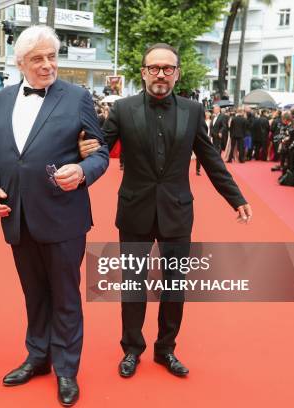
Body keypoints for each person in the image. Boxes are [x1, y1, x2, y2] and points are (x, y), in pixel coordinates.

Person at [83, 42, 252, 379]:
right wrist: (84, 152)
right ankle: (131, 349)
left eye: (168, 68)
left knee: (175, 287)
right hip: (134, 211)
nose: (161, 74)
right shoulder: (123, 109)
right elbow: (100, 148)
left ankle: (166, 349)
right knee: (133, 284)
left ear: (177, 73)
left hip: (177, 212)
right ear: (143, 71)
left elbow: (210, 158)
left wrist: (236, 197)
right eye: (154, 68)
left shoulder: (192, 111)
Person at [0, 26, 109, 406]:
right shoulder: (0, 101)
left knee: (65, 296)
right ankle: (38, 357)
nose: (47, 64)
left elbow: (100, 152)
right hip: (17, 216)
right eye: (37, 58)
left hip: (63, 216)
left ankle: (67, 370)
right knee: (34, 294)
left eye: (52, 56)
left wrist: (84, 172)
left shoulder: (77, 97)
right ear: (20, 62)